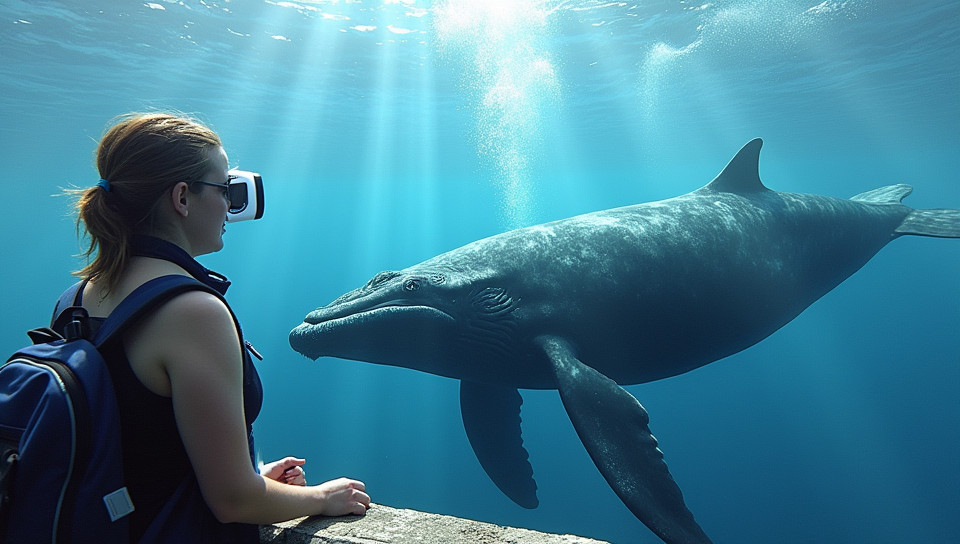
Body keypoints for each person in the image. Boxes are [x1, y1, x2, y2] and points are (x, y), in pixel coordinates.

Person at [70, 112, 370, 541]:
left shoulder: (80, 297)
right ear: (182, 198)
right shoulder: (193, 311)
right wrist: (324, 498)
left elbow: (133, 449)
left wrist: (256, 476)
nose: (231, 205)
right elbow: (233, 502)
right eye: (224, 188)